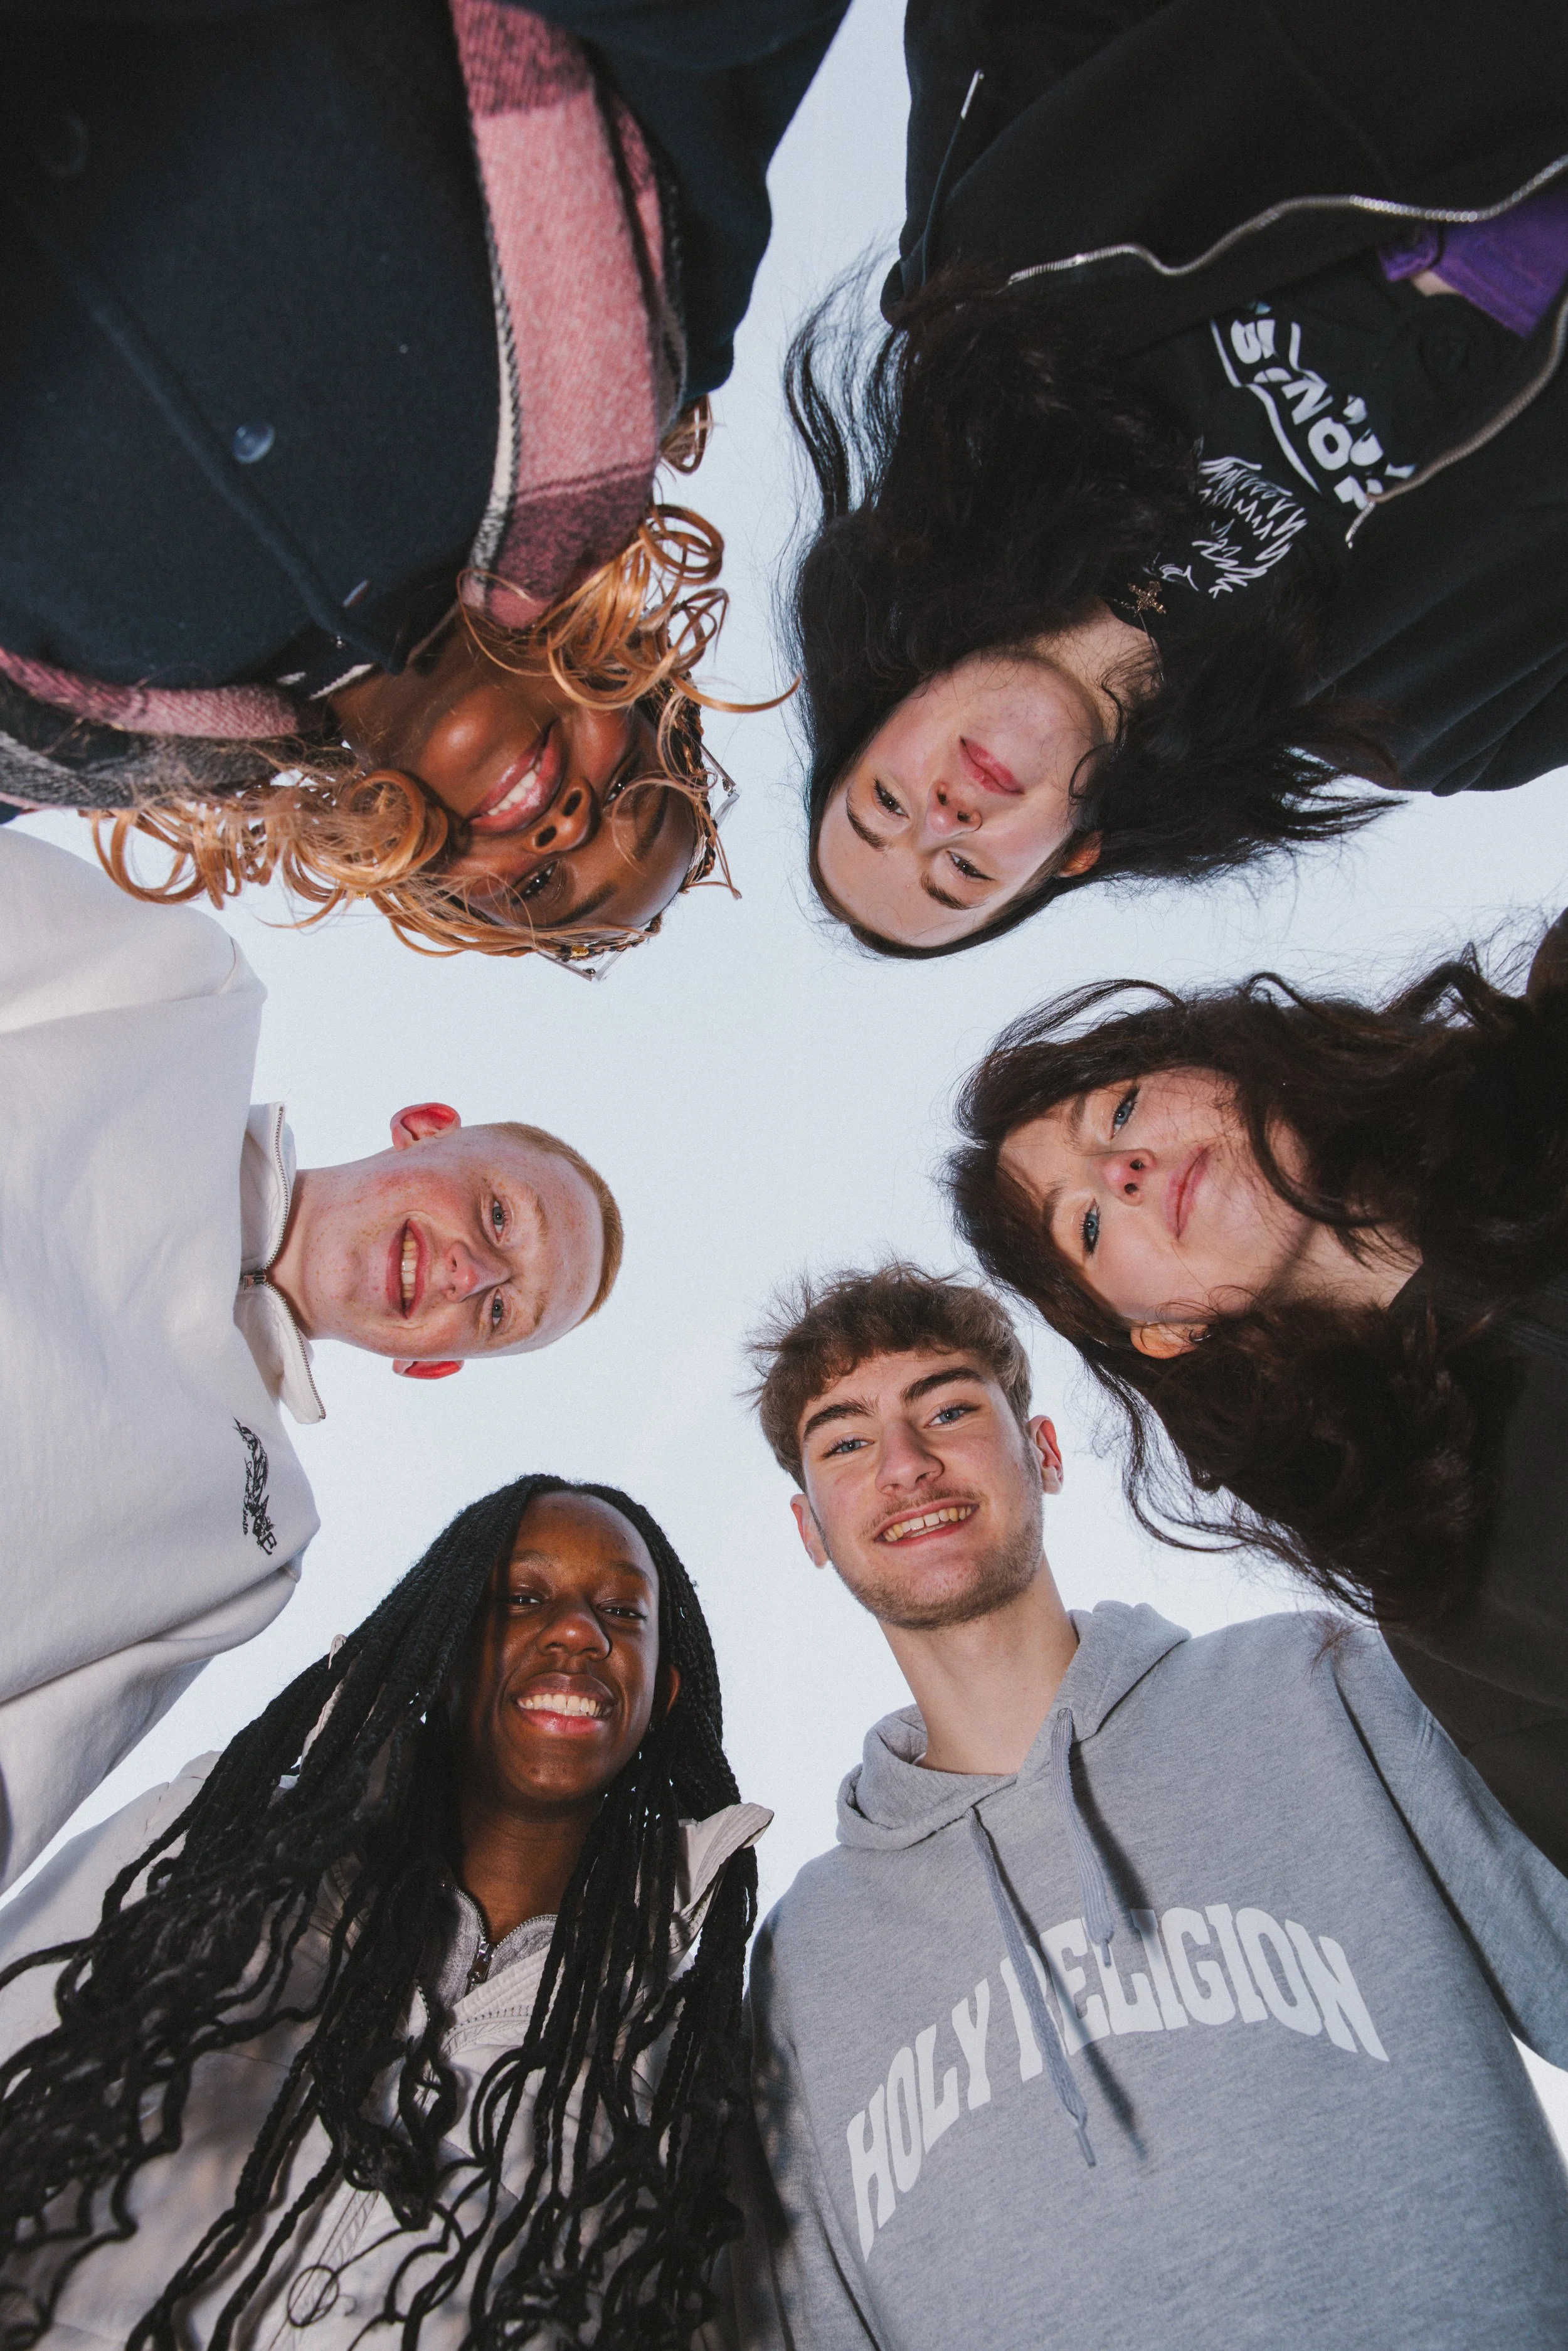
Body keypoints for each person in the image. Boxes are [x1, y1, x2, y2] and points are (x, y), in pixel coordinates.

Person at [726, 1263, 1568, 2350]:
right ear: (811, 1529)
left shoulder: (1322, 1688)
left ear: (1045, 1453)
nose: (905, 1464)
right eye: (845, 1442)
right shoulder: (805, 1959)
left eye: (948, 1408)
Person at [0, 0, 849, 967]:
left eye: (537, 888)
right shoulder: (648, 305)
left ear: (434, 894)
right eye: (633, 797)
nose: (570, 826)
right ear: (640, 676)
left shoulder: (66, 741)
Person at [783, 0, 1568, 957]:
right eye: (965, 875)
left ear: (891, 698)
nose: (940, 820)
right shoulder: (1449, 723)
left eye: (884, 801)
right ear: (1071, 858)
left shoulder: (986, 306)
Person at [0, 1472, 768, 2350]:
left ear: (661, 1695)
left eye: (623, 1613)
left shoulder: (677, 2059)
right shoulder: (212, 1843)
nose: (576, 1632)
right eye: (522, 1597)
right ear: (440, 1645)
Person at [0, 827, 622, 1890]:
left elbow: (27, 1770)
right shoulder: (184, 1001)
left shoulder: (258, 1546)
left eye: (501, 1313)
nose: (475, 1273)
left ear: (432, 1365)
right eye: (501, 1215)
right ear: (426, 1128)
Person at [946, 914, 1568, 1872]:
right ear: (1166, 1331)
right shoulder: (1442, 1593)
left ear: (1215, 1064)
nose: (1124, 1172)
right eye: (1090, 1228)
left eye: (1118, 1112)